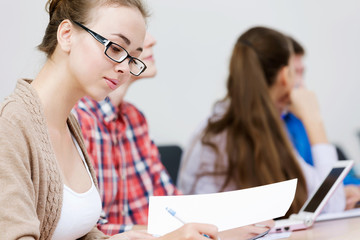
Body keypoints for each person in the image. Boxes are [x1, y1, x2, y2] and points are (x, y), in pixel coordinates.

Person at [0, 0, 220, 239]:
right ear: (66, 35)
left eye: (132, 59)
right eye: (115, 48)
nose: (125, 68)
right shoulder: (11, 125)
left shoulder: (69, 125)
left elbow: (79, 233)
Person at [73, 31, 274, 239]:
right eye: (139, 35)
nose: (152, 40)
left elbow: (173, 204)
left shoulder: (134, 118)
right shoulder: (79, 121)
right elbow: (91, 232)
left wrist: (227, 222)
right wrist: (197, 230)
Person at [177, 26, 346, 217]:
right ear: (284, 75)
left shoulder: (212, 130)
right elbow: (332, 206)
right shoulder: (254, 132)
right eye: (294, 72)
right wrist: (314, 120)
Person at [284, 36, 360, 209]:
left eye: (302, 73)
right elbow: (326, 197)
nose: (301, 84)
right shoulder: (279, 127)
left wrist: (353, 187)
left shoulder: (296, 121)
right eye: (294, 73)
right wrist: (313, 118)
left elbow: (326, 175)